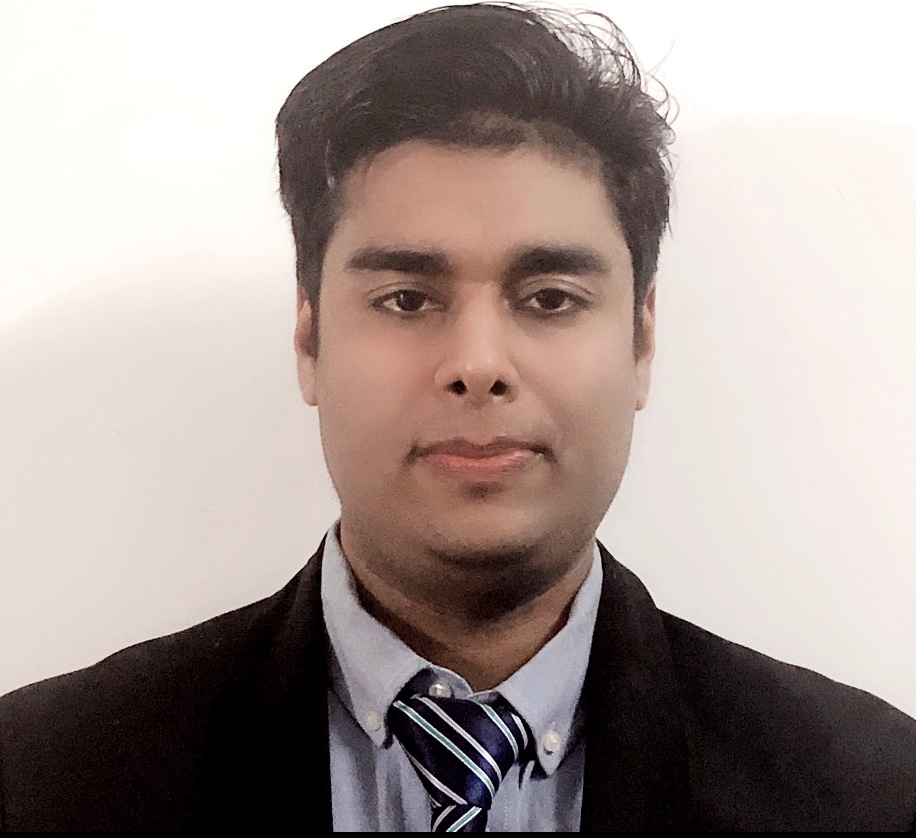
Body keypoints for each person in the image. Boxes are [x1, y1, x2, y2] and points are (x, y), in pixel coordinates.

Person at [1, 2, 914, 832]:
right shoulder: (42, 781)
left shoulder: (871, 793)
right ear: (310, 338)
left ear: (641, 342)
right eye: (406, 299)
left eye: (550, 298)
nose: (478, 364)